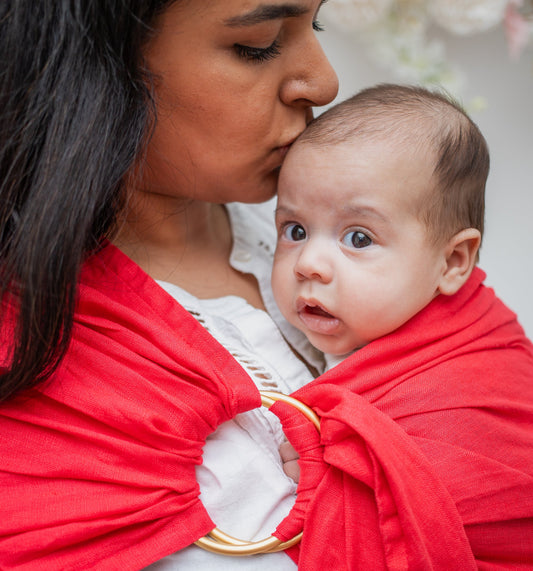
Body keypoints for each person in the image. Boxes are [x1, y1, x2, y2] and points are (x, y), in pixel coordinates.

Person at [0, 1, 338, 569]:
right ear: (93, 66)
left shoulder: (372, 247)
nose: (324, 81)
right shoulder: (27, 353)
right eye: (256, 44)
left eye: (318, 23)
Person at [271, 84, 533, 567]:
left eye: (358, 237)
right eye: (295, 230)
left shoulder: (476, 363)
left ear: (452, 262)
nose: (309, 263)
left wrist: (335, 473)